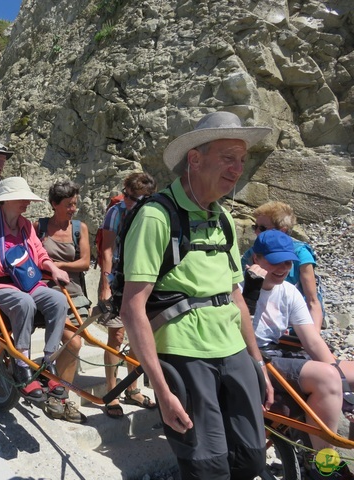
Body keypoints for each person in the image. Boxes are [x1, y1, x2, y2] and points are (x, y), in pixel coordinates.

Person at [120, 111, 274, 479]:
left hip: (233, 352)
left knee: (251, 459)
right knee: (208, 468)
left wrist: (257, 365)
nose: (238, 169)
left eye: (241, 159)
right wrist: (161, 389)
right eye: (227, 158)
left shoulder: (222, 219)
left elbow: (236, 297)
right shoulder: (157, 216)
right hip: (185, 354)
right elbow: (132, 308)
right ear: (195, 159)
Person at [247, 229, 354, 478]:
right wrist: (251, 292)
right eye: (275, 261)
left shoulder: (288, 291)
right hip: (254, 358)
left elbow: (312, 342)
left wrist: (339, 375)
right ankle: (324, 465)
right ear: (256, 259)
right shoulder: (242, 288)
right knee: (326, 377)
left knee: (339, 373)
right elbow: (240, 337)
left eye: (287, 261)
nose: (283, 267)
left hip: (281, 354)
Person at [0, 177, 70, 403]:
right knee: (24, 302)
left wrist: (52, 268)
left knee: (59, 301)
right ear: (6, 201)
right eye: (22, 199)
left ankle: (49, 362)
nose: (26, 204)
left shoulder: (25, 226)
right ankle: (22, 365)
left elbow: (39, 255)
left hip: (26, 282)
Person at [97, 172, 158, 418]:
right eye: (131, 197)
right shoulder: (116, 212)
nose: (134, 203)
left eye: (140, 198)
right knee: (116, 334)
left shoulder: (153, 212)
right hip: (119, 279)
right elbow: (107, 249)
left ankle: (132, 388)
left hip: (143, 280)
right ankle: (112, 391)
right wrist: (105, 283)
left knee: (139, 336)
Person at [34, 180, 90, 423]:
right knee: (74, 344)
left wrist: (59, 266)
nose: (73, 209)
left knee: (74, 343)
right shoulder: (41, 227)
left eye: (75, 204)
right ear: (54, 204)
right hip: (46, 291)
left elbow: (85, 263)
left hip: (73, 291)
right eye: (68, 205)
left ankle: (51, 376)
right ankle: (61, 395)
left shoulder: (80, 229)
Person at [241, 201, 324, 331]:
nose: (256, 232)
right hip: (257, 319)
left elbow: (313, 301)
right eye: (254, 227)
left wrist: (313, 334)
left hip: (295, 320)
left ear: (282, 230)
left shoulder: (301, 254)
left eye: (262, 228)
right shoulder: (252, 253)